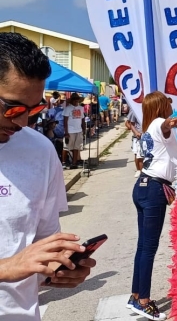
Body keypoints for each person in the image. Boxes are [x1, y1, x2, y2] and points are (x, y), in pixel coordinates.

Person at [0, 33, 96, 320]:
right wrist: (6, 267)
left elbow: (40, 246)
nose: (22, 122)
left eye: (34, 110)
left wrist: (58, 271)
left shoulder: (40, 150)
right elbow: (15, 263)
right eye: (13, 108)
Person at [128, 91, 177, 320]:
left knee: (142, 247)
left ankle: (135, 294)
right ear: (161, 107)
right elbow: (167, 125)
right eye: (167, 103)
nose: (171, 106)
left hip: (142, 185)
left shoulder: (148, 129)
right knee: (149, 248)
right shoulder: (160, 123)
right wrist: (172, 122)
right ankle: (144, 302)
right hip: (154, 190)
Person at [63, 93, 86, 170]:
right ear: (72, 100)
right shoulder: (67, 108)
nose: (76, 101)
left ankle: (74, 162)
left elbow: (82, 119)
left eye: (77, 99)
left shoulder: (81, 108)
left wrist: (84, 129)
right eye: (75, 99)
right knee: (66, 147)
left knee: (77, 147)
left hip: (78, 130)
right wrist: (66, 133)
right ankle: (63, 162)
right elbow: (65, 121)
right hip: (70, 131)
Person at [125, 110, 144, 178]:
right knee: (138, 155)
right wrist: (136, 132)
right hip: (138, 137)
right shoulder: (134, 111)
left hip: (147, 136)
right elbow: (128, 123)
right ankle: (139, 170)